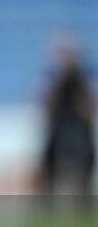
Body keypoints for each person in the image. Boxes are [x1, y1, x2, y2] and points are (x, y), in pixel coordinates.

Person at [39, 33, 95, 208]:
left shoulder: (84, 77)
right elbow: (45, 103)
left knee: (83, 173)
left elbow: (90, 106)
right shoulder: (52, 77)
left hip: (79, 129)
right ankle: (48, 208)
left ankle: (83, 207)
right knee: (50, 172)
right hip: (58, 128)